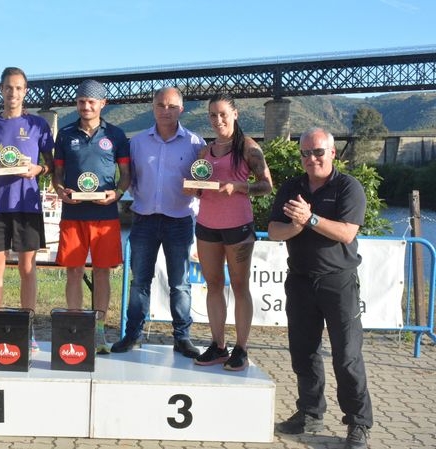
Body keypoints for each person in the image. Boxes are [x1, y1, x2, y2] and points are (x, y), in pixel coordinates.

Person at [269, 127, 372, 449]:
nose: (311, 158)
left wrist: (310, 219)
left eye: (317, 152)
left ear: (332, 153)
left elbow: (346, 233)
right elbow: (273, 231)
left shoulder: (347, 187)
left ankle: (358, 424)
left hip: (337, 282)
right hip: (299, 280)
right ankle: (310, 413)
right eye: (305, 153)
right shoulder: (292, 187)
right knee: (304, 352)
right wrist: (293, 226)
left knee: (347, 356)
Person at [110, 87, 205, 358]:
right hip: (144, 221)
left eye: (172, 106)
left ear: (182, 109)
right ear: (153, 107)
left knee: (180, 284)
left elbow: (201, 183)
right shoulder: (137, 143)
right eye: (161, 105)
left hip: (180, 221)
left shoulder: (195, 143)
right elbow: (130, 179)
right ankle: (133, 335)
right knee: (140, 281)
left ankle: (182, 338)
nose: (166, 110)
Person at [0, 67, 55, 352]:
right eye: (8, 88)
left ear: (25, 91)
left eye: (18, 88)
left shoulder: (38, 125)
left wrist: (38, 169)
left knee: (27, 269)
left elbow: (52, 165)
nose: (13, 93)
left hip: (27, 206)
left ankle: (27, 332)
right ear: (1, 90)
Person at [191, 93, 273, 370]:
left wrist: (239, 187)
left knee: (239, 286)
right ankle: (218, 346)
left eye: (223, 114)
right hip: (207, 226)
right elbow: (200, 187)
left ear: (235, 114)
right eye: (213, 115)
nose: (218, 120)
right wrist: (194, 188)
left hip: (238, 226)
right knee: (213, 285)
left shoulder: (249, 148)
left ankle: (241, 348)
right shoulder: (205, 152)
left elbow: (267, 186)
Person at [52, 79, 130, 355]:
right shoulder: (65, 134)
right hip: (73, 213)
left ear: (102, 104)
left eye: (91, 102)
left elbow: (126, 176)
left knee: (102, 273)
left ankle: (97, 332)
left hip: (105, 216)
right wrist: (60, 190)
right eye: (82, 101)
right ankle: (75, 330)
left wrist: (117, 194)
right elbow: (57, 174)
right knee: (73, 271)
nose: (86, 106)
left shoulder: (118, 135)